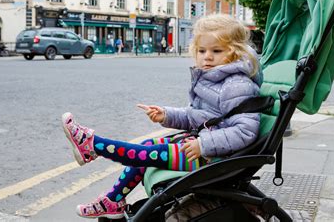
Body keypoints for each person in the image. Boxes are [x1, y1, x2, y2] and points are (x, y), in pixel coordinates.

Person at [61, 14, 262, 219]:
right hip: (202, 148)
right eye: (202, 51)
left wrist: (204, 144)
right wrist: (165, 115)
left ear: (235, 52)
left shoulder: (236, 85)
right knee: (148, 146)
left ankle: (94, 145)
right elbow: (197, 116)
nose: (207, 57)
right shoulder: (214, 79)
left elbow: (245, 130)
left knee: (146, 154)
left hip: (213, 158)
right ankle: (113, 200)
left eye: (216, 51)